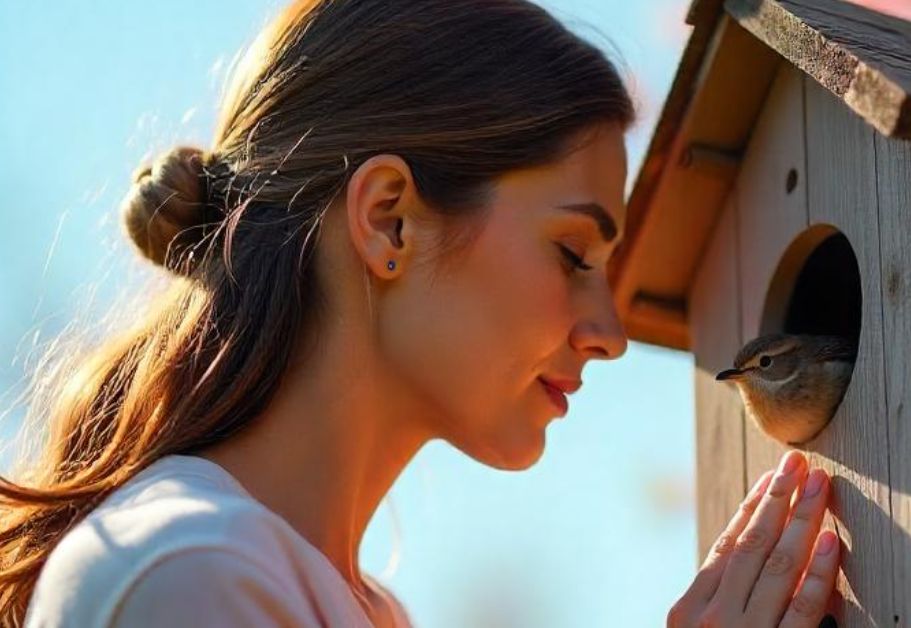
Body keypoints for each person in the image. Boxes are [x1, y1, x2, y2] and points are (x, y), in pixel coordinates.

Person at [0, 0, 841, 626]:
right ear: (388, 220)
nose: (611, 335)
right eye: (574, 255)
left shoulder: (359, 608)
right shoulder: (189, 574)